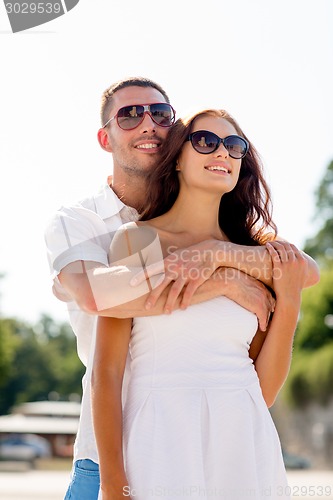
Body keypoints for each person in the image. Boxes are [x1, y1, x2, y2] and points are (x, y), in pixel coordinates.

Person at [45, 77, 286, 500]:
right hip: (111, 449)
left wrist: (219, 254)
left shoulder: (236, 244)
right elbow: (96, 296)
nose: (148, 123)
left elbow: (299, 276)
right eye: (130, 114)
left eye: (160, 114)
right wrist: (221, 280)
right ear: (106, 137)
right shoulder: (90, 224)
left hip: (235, 451)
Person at [91, 108, 319, 499]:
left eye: (234, 146)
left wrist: (223, 257)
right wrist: (113, 482)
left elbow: (262, 391)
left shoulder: (253, 253)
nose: (223, 153)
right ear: (177, 157)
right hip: (160, 439)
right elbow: (106, 374)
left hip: (245, 445)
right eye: (205, 141)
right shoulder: (137, 241)